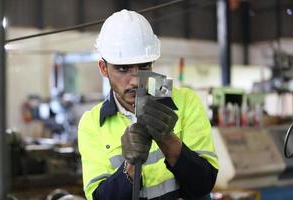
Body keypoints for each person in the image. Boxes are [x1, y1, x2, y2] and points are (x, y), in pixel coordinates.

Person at [78, 9, 218, 200]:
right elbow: (100, 198)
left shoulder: (184, 101)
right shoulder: (92, 123)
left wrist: (168, 140)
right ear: (104, 68)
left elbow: (203, 184)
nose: (136, 80)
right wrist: (129, 168)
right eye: (123, 68)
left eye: (144, 66)